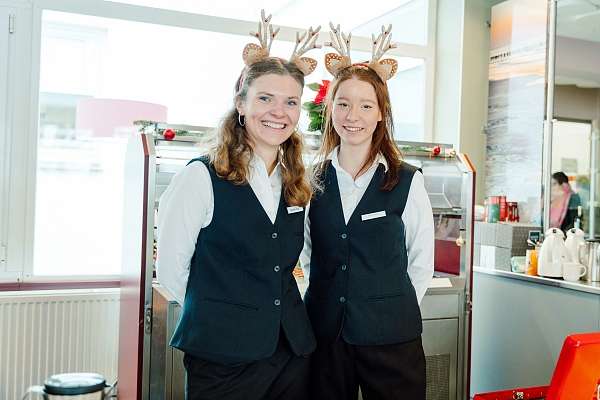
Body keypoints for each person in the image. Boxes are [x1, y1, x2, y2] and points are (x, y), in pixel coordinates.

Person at [155, 11, 320, 400]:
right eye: (265, 98)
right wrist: (223, 313)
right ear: (240, 104)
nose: (279, 112)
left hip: (290, 350)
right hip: (223, 355)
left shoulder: (296, 180)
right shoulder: (200, 177)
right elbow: (173, 270)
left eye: (290, 102)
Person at [300, 23, 434, 400]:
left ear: (380, 114)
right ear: (330, 109)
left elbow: (421, 261)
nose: (352, 115)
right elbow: (307, 254)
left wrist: (389, 310)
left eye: (365, 105)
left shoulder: (407, 181)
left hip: (392, 339)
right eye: (343, 104)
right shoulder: (311, 179)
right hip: (326, 337)